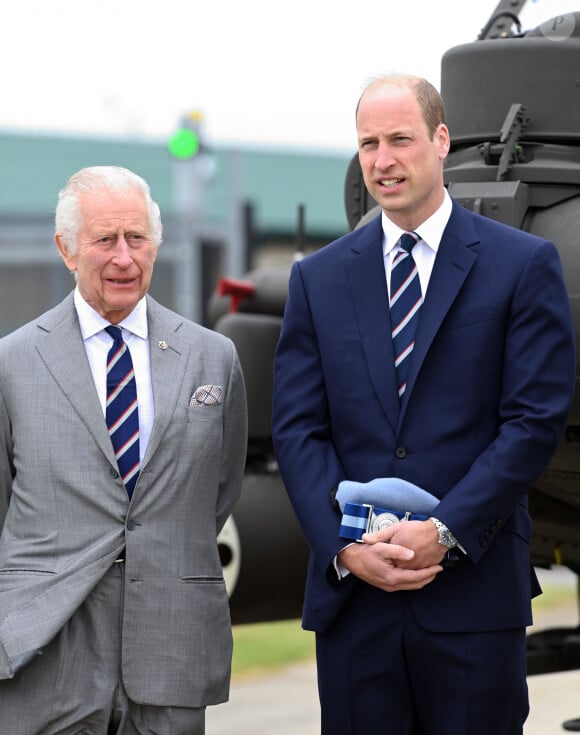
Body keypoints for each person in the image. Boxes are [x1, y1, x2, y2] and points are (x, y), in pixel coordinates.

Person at [271, 73, 576, 734]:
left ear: (440, 141)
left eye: (400, 139)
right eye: (369, 143)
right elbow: (297, 431)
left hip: (474, 601)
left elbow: (532, 422)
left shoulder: (522, 265)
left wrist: (443, 533)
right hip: (357, 604)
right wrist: (346, 546)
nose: (383, 160)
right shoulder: (317, 280)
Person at [0, 165, 248, 734]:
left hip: (172, 645)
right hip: (44, 647)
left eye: (137, 238)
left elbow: (217, 491)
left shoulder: (213, 359)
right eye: (105, 240)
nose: (124, 258)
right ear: (67, 250)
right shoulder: (11, 364)